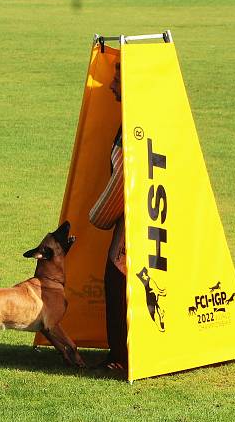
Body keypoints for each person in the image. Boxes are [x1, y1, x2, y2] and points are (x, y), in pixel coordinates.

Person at [88, 62, 127, 372]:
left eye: (116, 80)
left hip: (130, 232)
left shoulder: (132, 127)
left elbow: (123, 181)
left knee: (117, 284)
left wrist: (97, 216)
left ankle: (120, 358)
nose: (111, 86)